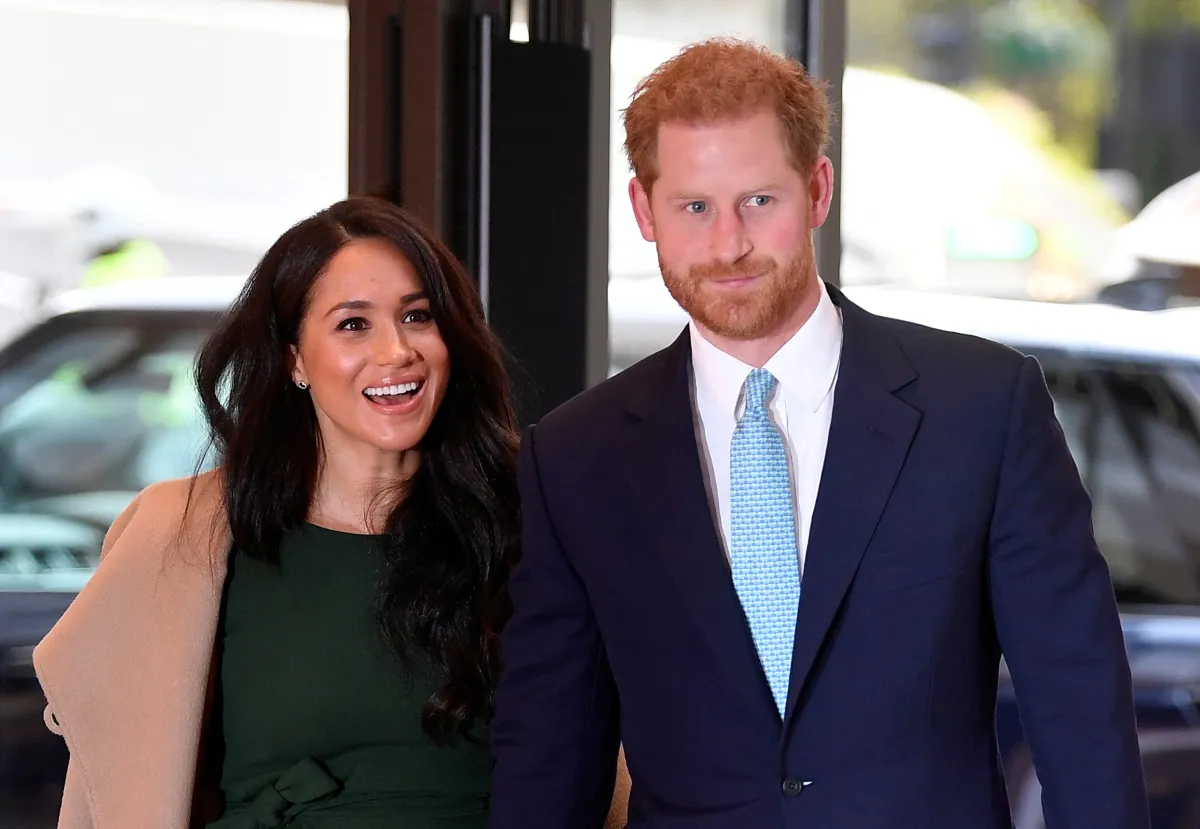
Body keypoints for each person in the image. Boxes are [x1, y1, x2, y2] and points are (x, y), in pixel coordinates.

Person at [489, 38, 1149, 829]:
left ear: (817, 188)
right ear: (643, 211)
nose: (728, 242)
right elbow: (550, 757)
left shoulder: (981, 408)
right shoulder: (574, 459)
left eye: (759, 201)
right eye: (694, 206)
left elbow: (1078, 707)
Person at [34, 196, 522, 829]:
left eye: (417, 316)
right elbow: (119, 782)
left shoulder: (524, 518)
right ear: (294, 359)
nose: (397, 350)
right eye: (353, 325)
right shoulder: (189, 535)